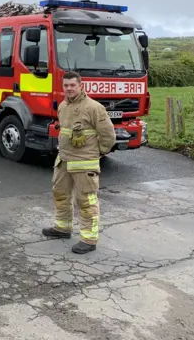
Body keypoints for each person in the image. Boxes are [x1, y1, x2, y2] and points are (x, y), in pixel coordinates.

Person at [42, 70, 116, 254]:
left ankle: (89, 240)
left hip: (85, 164)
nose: (69, 88)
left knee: (86, 201)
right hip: (64, 161)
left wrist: (96, 154)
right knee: (60, 194)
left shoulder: (94, 107)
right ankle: (62, 228)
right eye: (66, 85)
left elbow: (108, 136)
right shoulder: (62, 106)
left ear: (80, 85)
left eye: (72, 85)